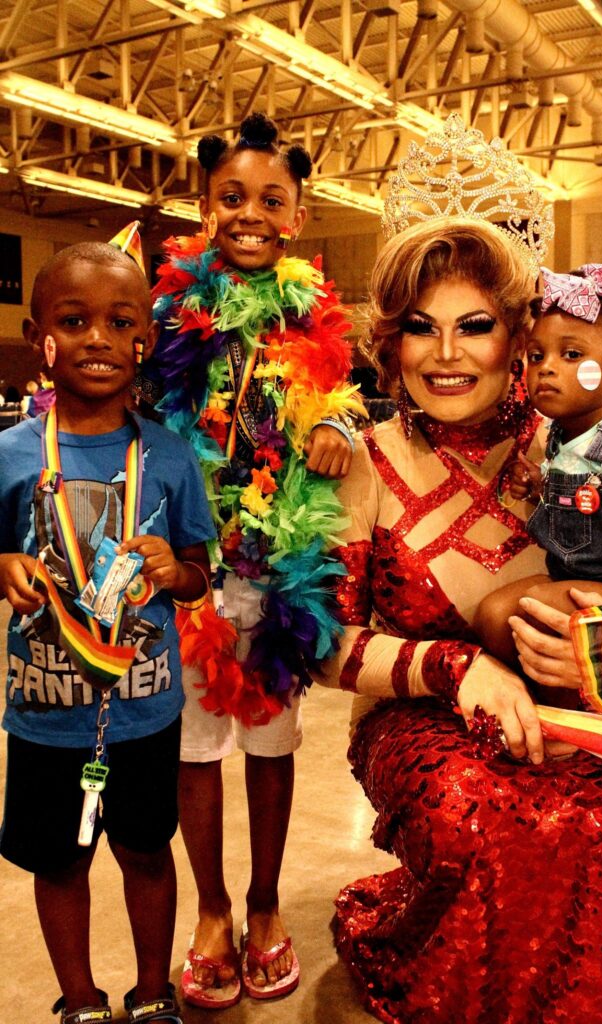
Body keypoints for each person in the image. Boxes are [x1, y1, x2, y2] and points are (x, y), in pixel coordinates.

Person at [314, 215, 602, 1023]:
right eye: (422, 328)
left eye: (473, 327)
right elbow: (319, 647)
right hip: (414, 721)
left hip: (574, 712)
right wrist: (455, 669)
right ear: (392, 342)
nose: (446, 355)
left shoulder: (578, 449)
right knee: (480, 819)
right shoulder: (358, 460)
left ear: (516, 338)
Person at [146, 112, 360, 1007]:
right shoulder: (169, 308)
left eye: (271, 199)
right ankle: (210, 912)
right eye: (231, 196)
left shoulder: (314, 306)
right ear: (204, 206)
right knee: (195, 752)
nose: (249, 213)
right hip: (188, 563)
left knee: (271, 746)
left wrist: (341, 424)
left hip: (279, 568)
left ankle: (266, 908)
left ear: (298, 216)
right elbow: (140, 405)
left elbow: (345, 390)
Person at [0, 237, 216, 1024]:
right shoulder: (10, 455)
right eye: (74, 319)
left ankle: (154, 992)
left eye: (119, 321)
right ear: (39, 339)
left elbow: (199, 574)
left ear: (143, 342)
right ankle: (82, 1001)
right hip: (44, 716)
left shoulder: (167, 454)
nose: (97, 338)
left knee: (146, 852)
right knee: (58, 864)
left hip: (144, 711)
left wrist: (174, 570)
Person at [476, 264, 602, 667]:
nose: (547, 367)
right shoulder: (560, 434)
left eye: (572, 355)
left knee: (526, 612)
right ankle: (564, 707)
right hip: (582, 582)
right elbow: (590, 501)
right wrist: (540, 486)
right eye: (536, 356)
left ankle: (576, 710)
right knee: (493, 616)